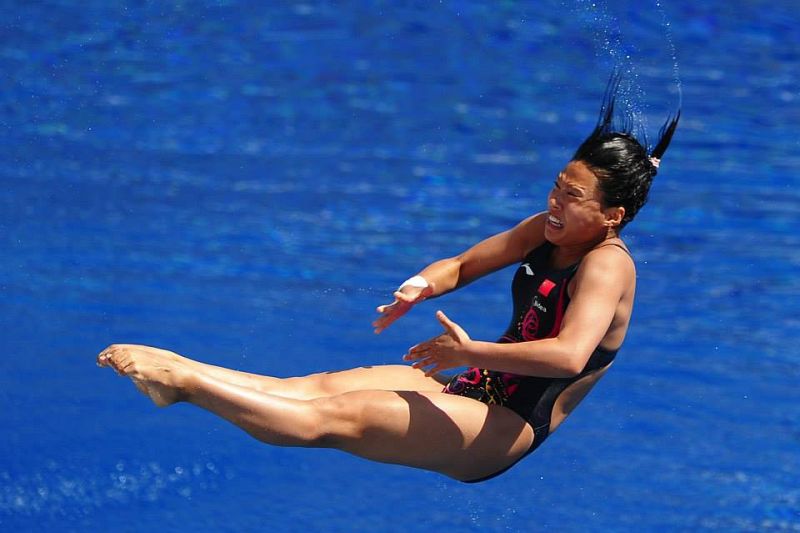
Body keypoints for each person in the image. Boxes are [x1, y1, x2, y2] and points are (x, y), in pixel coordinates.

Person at [97, 77, 679, 483]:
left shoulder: (608, 264)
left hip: (505, 426)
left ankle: (185, 383)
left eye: (571, 197)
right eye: (556, 184)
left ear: (612, 217)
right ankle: (184, 376)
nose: (554, 202)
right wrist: (421, 285)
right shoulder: (545, 230)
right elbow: (461, 265)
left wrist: (466, 351)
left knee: (337, 420)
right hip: (473, 384)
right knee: (319, 388)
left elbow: (570, 355)